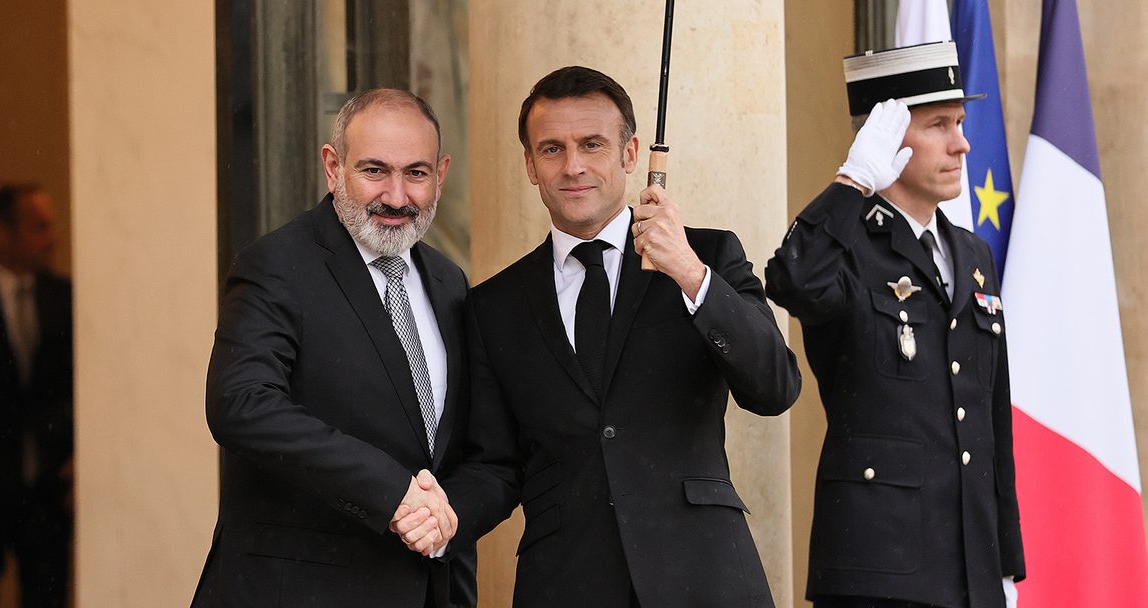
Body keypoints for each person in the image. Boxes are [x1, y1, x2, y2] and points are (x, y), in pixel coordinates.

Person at [398, 66, 802, 608]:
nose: (574, 166)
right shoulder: (493, 305)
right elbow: (497, 463)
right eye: (552, 149)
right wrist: (442, 515)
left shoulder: (707, 256)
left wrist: (689, 272)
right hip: (565, 582)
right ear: (530, 165)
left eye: (593, 144)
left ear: (630, 154)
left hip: (703, 575)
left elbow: (775, 387)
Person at [764, 40, 1024, 608]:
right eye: (938, 125)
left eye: (959, 123)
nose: (961, 143)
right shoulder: (845, 246)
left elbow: (991, 415)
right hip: (877, 570)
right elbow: (792, 281)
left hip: (970, 569)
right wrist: (853, 180)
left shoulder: (972, 254)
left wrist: (1005, 562)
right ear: (885, 139)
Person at [191, 89, 475, 608]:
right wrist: (391, 489)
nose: (396, 197)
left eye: (416, 173)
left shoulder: (449, 281)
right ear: (332, 166)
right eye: (374, 171)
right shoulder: (277, 265)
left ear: (441, 173)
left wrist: (444, 527)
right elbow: (241, 403)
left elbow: (452, 448)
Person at [0, 184, 74, 608]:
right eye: (39, 227)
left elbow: (83, 389)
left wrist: (82, 458)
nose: (53, 239)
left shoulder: (64, 297)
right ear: (1, 233)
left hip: (49, 492)